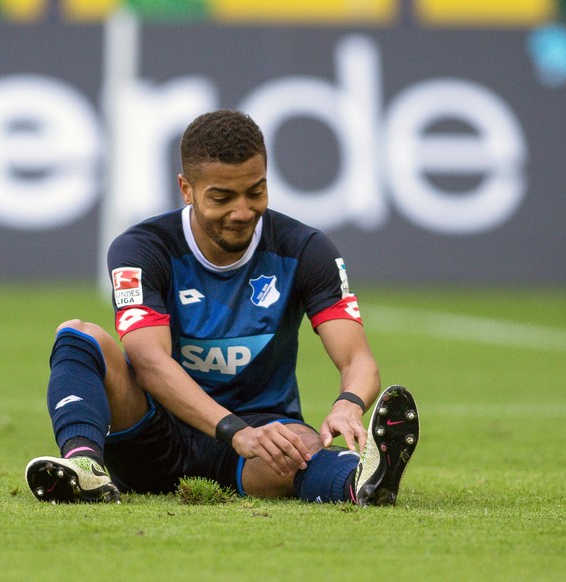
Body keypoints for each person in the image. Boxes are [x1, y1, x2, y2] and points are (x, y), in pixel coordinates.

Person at [25, 109, 419, 506]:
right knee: (79, 335)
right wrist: (233, 429)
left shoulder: (305, 249)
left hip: (258, 434)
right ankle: (85, 467)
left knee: (300, 446)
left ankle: (361, 482)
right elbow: (147, 361)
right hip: (153, 433)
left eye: (256, 191)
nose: (242, 211)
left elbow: (359, 360)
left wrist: (348, 404)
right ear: (186, 189)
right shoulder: (142, 249)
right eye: (222, 197)